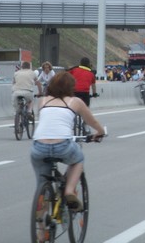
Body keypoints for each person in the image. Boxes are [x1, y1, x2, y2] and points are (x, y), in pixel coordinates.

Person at [30, 72, 105, 212]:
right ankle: (69, 191)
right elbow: (92, 122)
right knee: (78, 159)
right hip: (62, 145)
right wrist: (100, 132)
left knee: (42, 185)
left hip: (38, 146)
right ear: (71, 87)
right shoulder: (75, 101)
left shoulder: (43, 101)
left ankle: (40, 228)